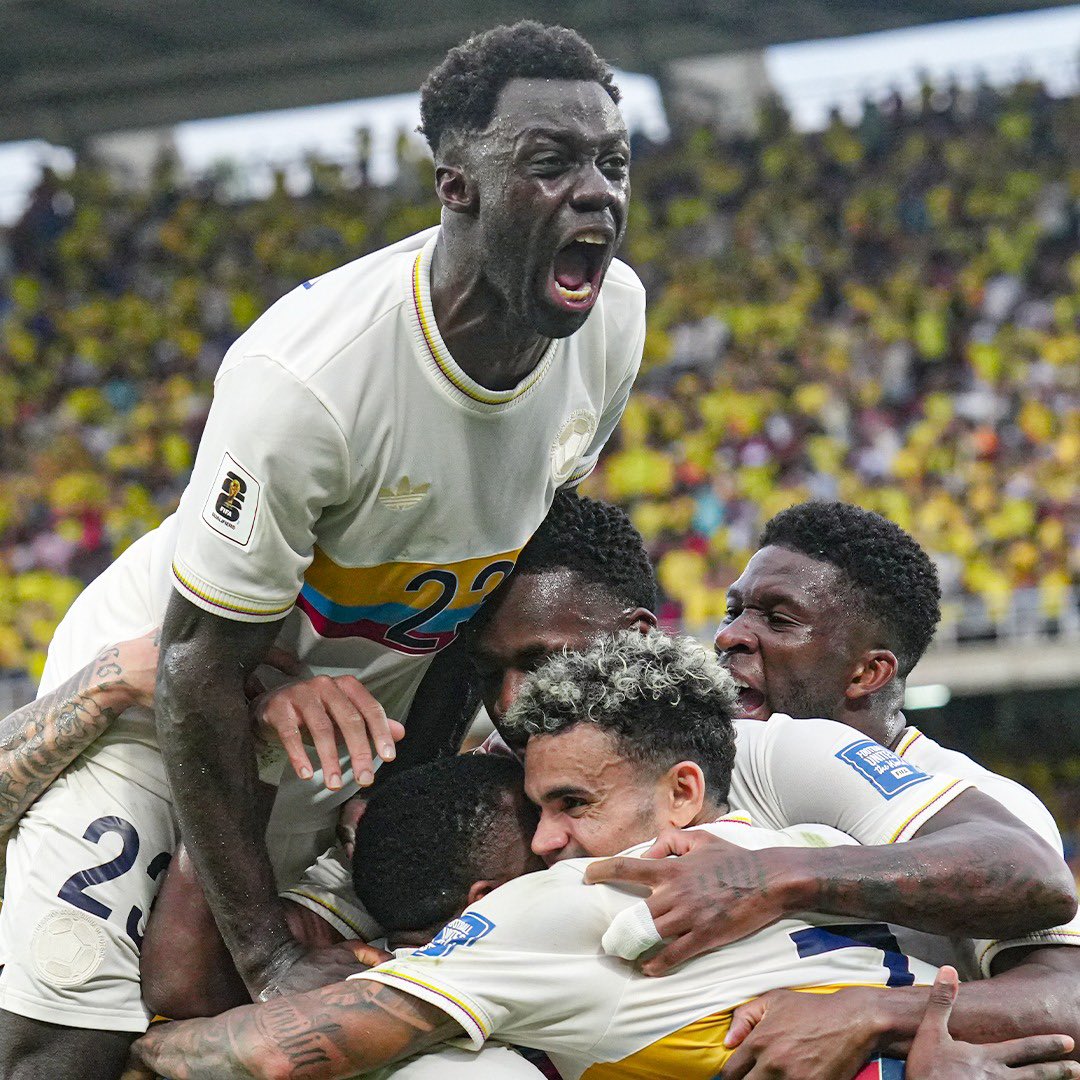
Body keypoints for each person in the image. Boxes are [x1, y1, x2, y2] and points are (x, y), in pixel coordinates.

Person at [0, 21, 644, 1077]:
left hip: (344, 730)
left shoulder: (613, 320)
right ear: (458, 188)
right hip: (166, 721)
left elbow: (492, 588)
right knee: (74, 1050)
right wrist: (266, 954)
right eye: (551, 163)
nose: (598, 194)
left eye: (613, 163)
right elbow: (198, 662)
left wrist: (414, 787)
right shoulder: (312, 382)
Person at [129, 633, 1080, 1080]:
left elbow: (275, 1056)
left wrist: (146, 1053)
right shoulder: (824, 843)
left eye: (571, 805)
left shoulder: (560, 906)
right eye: (541, 809)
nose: (548, 841)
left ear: (680, 792)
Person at [584, 501, 1080, 1078]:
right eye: (734, 610)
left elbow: (1067, 1003)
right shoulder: (712, 772)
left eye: (778, 619)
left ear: (867, 673)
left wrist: (873, 1012)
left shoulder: (974, 799)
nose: (729, 636)